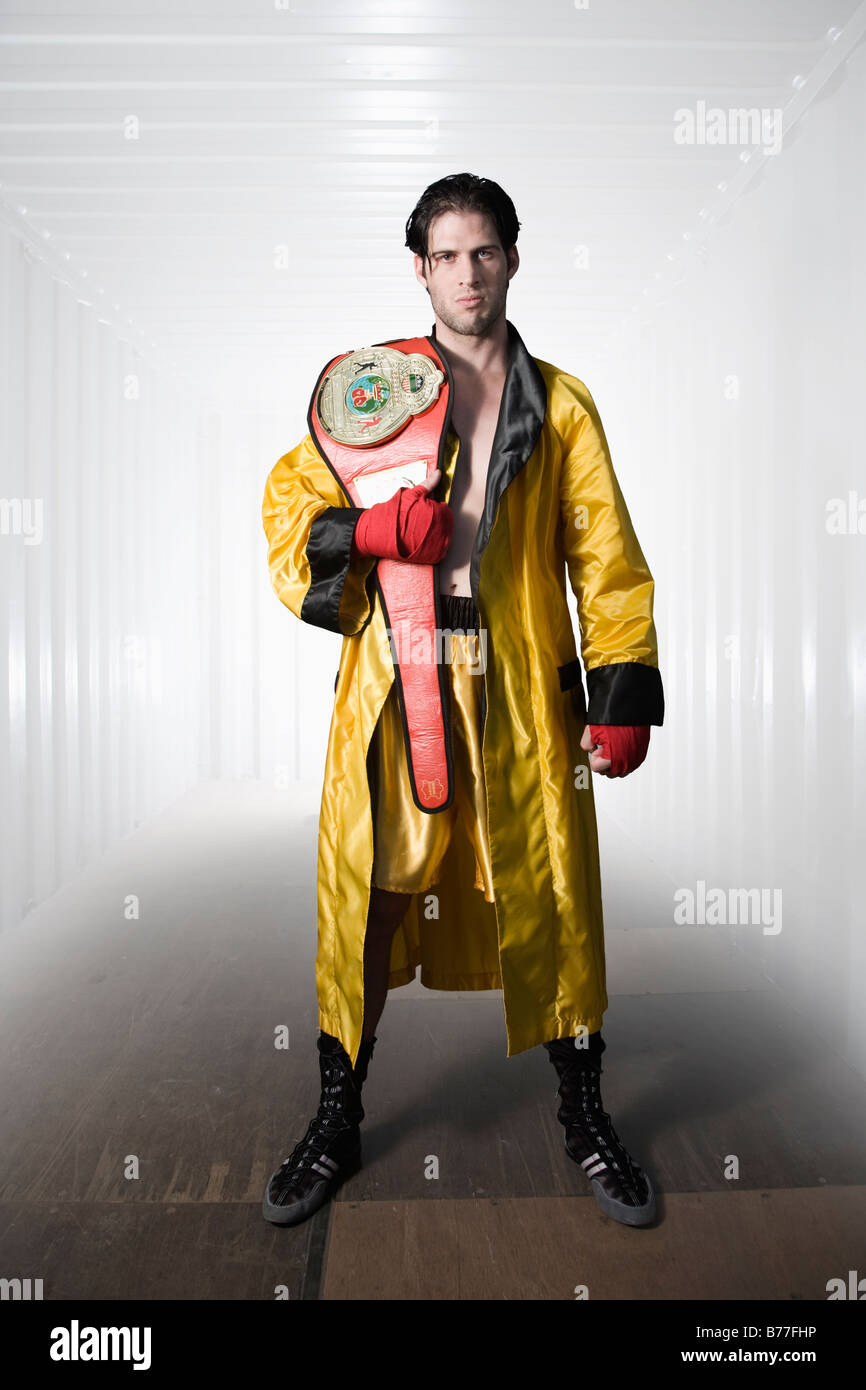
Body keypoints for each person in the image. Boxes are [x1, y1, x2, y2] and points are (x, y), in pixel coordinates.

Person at [261, 173, 665, 1231]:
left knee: (556, 895)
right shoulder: (372, 390)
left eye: (482, 251)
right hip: (396, 679)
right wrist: (364, 535)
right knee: (371, 890)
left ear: (512, 260)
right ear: (419, 269)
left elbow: (606, 559)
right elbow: (288, 503)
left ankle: (584, 1115)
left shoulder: (561, 403)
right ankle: (336, 1115)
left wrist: (620, 689)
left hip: (524, 689)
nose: (466, 272)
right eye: (445, 254)